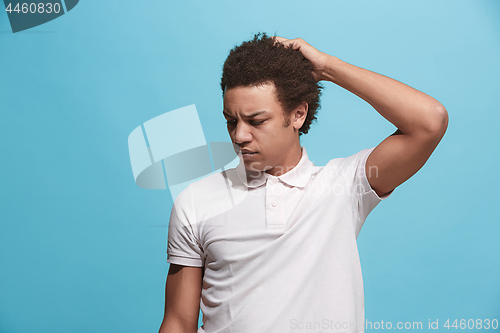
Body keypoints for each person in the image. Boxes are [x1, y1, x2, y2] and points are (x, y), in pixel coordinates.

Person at [158, 33, 448, 333]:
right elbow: (178, 321)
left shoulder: (345, 187)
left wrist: (328, 69)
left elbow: (430, 122)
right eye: (232, 121)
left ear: (298, 114)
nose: (239, 136)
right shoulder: (196, 200)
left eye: (256, 121)